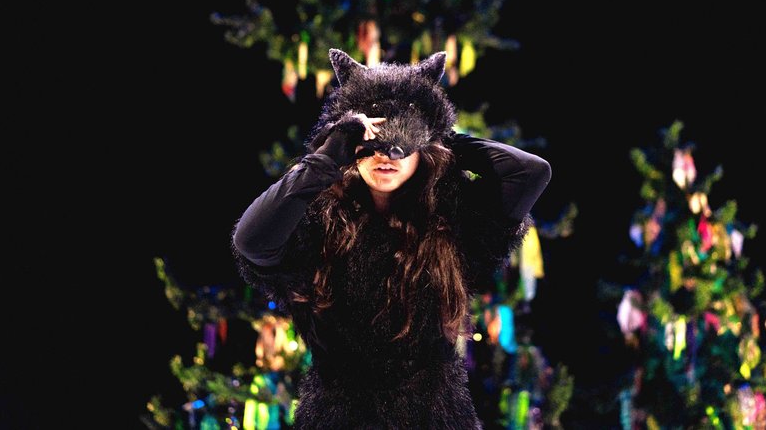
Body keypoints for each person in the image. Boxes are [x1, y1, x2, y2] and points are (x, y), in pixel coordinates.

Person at [231, 49, 551, 428]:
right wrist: (327, 154)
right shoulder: (318, 221)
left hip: (436, 417)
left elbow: (530, 173)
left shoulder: (452, 217)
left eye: (401, 142)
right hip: (337, 417)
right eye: (373, 141)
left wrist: (434, 132)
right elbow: (251, 241)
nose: (387, 154)